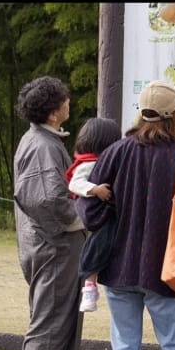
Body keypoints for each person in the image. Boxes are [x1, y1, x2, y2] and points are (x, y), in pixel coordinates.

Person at [75, 80, 175, 350]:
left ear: (141, 112)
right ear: (174, 114)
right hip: (166, 268)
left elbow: (90, 212)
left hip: (117, 267)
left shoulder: (115, 152)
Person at [13, 75, 86, 350]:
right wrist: (84, 217)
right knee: (50, 327)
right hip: (53, 250)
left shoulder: (39, 139)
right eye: (63, 99)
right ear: (53, 113)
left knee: (58, 323)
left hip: (50, 247)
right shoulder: (42, 145)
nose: (68, 101)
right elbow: (47, 200)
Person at [65, 117, 122, 312]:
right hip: (98, 213)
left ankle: (91, 284)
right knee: (98, 244)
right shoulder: (88, 163)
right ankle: (89, 286)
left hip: (104, 215)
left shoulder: (106, 161)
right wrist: (95, 190)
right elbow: (75, 183)